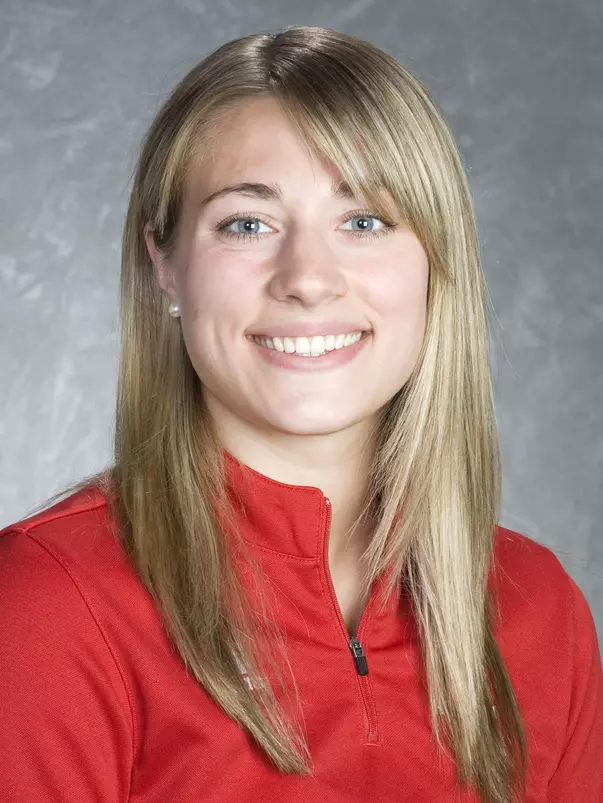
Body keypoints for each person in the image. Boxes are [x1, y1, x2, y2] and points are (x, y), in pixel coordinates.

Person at [0, 24, 601, 803]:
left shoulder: (537, 608)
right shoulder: (46, 608)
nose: (308, 278)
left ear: (435, 260)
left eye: (364, 220)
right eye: (246, 224)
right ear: (165, 268)